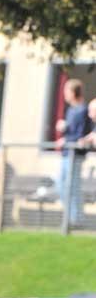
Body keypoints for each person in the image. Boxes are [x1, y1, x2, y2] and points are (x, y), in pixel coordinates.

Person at [56, 79, 90, 226]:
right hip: (66, 154)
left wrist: (67, 139)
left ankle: (76, 220)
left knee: (73, 185)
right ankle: (70, 216)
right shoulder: (70, 110)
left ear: (73, 92)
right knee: (60, 184)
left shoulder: (83, 110)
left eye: (66, 91)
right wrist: (64, 132)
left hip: (75, 155)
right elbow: (71, 133)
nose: (64, 94)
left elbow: (82, 135)